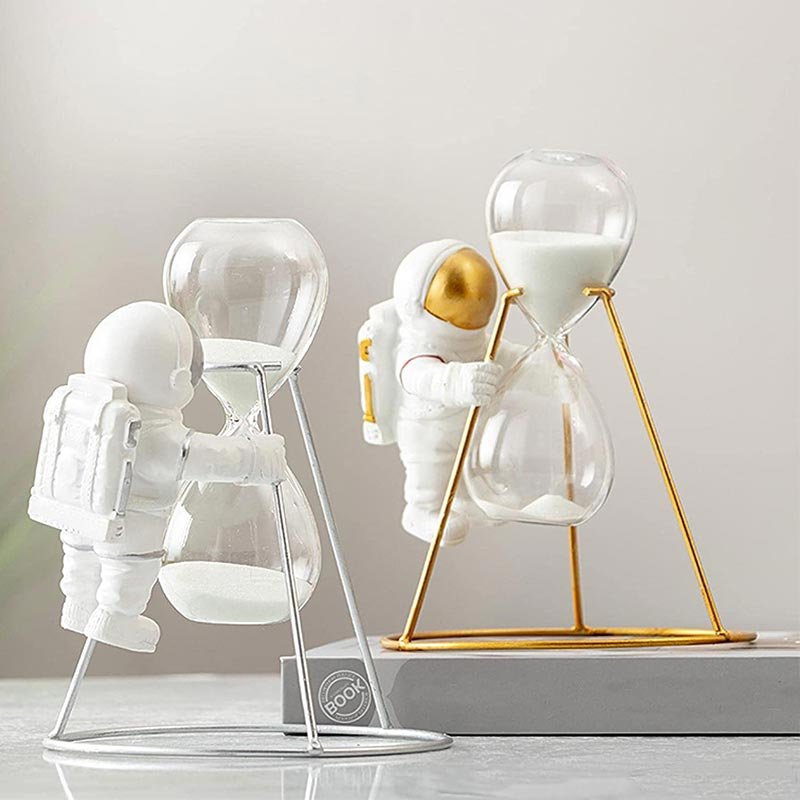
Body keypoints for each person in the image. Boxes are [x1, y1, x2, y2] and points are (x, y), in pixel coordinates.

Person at [33, 301, 286, 652]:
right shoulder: (153, 432)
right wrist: (257, 457)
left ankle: (78, 604)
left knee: (80, 556)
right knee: (130, 565)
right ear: (178, 379)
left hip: (79, 507)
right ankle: (118, 618)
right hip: (134, 517)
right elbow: (209, 457)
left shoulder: (85, 407)